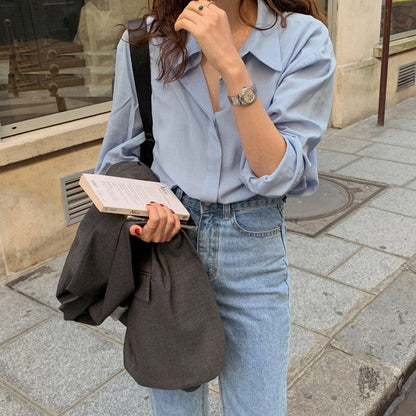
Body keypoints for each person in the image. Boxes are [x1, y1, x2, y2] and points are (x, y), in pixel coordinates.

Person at [95, 0, 335, 414]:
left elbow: (280, 172)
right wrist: (145, 210)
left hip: (252, 245)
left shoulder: (302, 38)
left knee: (258, 407)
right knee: (175, 408)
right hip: (169, 245)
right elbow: (121, 152)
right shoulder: (143, 42)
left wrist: (231, 65)